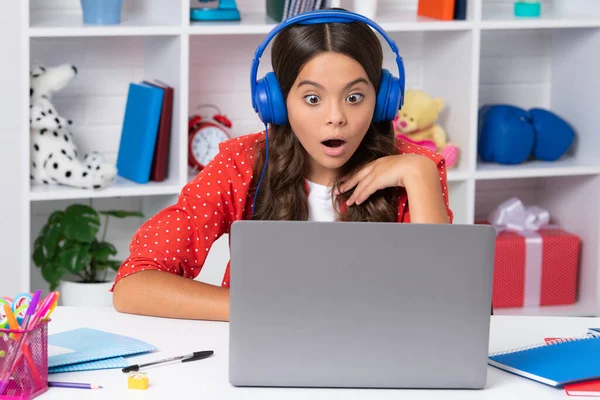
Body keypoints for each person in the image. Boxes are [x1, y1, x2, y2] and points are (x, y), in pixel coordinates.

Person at [111, 8, 453, 322]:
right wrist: (264, 309)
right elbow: (135, 284)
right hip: (265, 341)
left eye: (354, 97)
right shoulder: (240, 165)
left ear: (382, 100)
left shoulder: (413, 168)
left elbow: (444, 303)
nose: (336, 118)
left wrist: (417, 173)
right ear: (276, 102)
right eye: (313, 99)